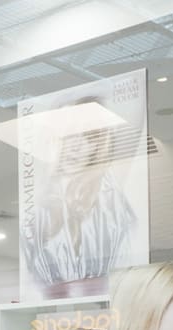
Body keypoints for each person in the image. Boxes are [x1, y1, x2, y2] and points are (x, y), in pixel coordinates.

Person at [22, 99, 139, 299]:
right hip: (53, 314)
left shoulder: (111, 205)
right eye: (68, 135)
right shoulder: (39, 211)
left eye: (88, 137)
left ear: (98, 146)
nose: (75, 146)